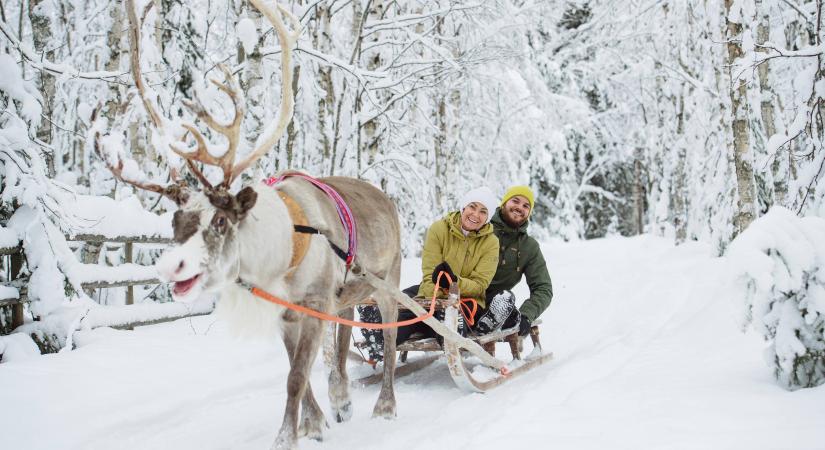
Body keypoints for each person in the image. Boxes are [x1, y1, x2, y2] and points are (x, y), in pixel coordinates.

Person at [358, 186, 506, 361]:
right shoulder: (439, 229)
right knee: (406, 317)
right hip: (429, 293)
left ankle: (449, 328)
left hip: (465, 301)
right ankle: (378, 331)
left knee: (448, 320)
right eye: (472, 207)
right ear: (463, 207)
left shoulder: (491, 242)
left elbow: (480, 284)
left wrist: (454, 283)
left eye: (483, 211)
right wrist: (436, 296)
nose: (475, 214)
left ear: (487, 218)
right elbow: (429, 274)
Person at [486, 185, 553, 338]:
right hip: (465, 297)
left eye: (525, 205)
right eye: (515, 201)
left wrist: (526, 314)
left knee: (506, 303)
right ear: (504, 203)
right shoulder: (482, 229)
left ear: (529, 213)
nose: (519, 208)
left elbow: (543, 288)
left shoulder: (529, 247)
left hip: (497, 305)